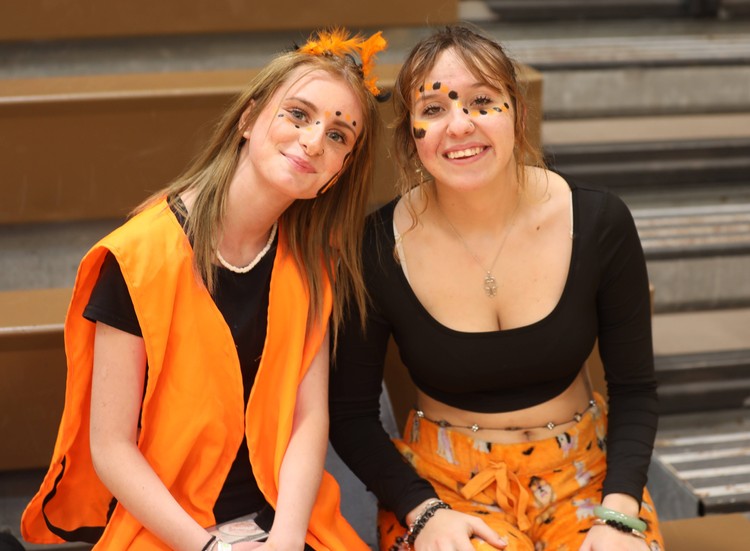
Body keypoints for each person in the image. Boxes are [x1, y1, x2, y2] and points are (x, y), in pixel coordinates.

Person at [21, 28, 387, 551]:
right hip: (168, 528)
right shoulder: (141, 257)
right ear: (248, 119)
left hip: (285, 519)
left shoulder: (311, 266)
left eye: (337, 136)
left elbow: (310, 421)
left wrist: (283, 540)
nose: (312, 141)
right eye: (299, 114)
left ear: (338, 173)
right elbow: (111, 447)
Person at [329, 25, 665, 551]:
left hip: (586, 471)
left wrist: (620, 512)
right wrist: (424, 512)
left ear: (519, 114)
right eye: (434, 109)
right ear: (409, 134)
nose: (459, 126)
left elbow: (635, 389)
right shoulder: (376, 246)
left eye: (482, 101)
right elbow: (349, 415)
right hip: (445, 485)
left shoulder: (599, 221)